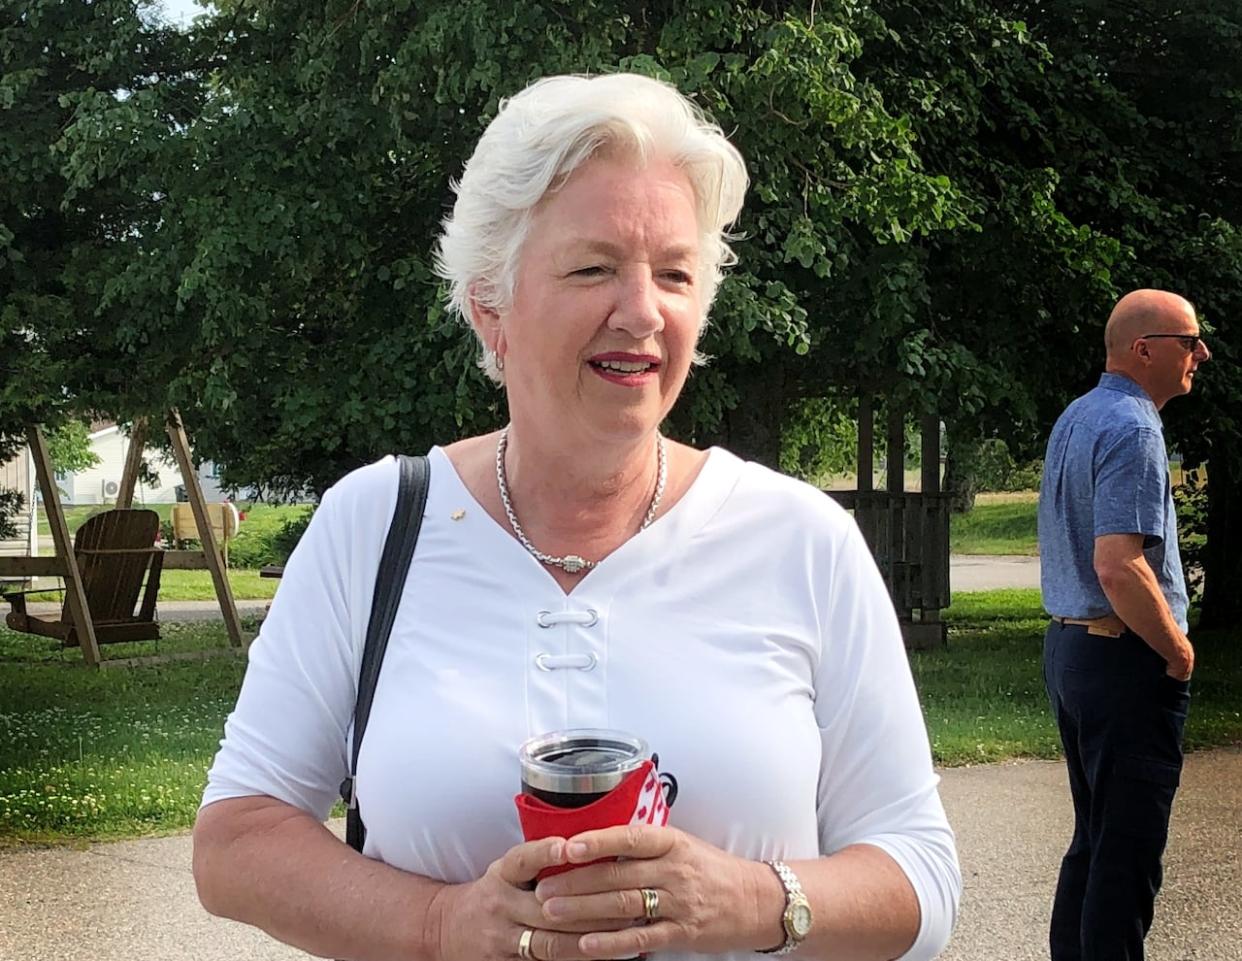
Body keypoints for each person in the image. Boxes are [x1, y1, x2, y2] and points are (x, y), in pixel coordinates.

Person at [192, 73, 960, 961]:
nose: (641, 312)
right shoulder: (375, 525)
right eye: (594, 267)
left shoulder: (800, 539)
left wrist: (749, 898)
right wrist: (440, 924)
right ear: (491, 306)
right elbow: (236, 843)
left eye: (673, 273)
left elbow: (923, 875)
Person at [1038, 289, 1211, 961]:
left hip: (1072, 651)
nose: (1201, 352)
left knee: (1094, 841)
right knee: (1127, 856)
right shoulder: (1134, 425)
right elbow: (1118, 564)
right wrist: (1177, 652)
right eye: (1188, 340)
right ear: (1144, 349)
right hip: (1123, 657)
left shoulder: (1078, 415)